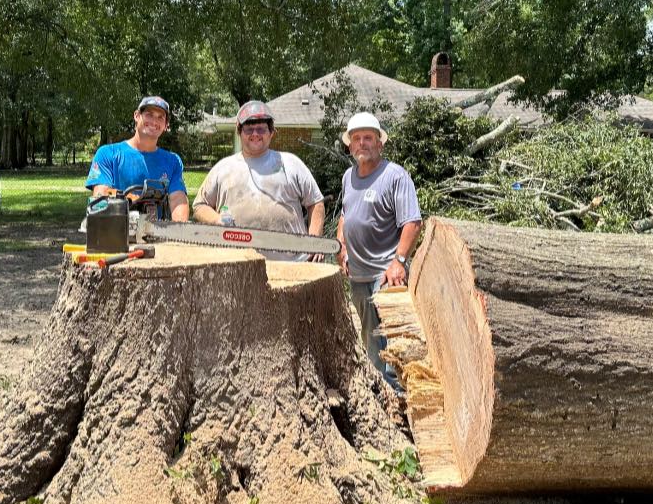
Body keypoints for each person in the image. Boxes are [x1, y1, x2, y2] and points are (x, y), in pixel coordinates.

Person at [336, 111, 421, 376]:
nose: (362, 143)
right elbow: (344, 215)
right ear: (350, 145)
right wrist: (341, 246)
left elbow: (412, 222)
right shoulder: (348, 177)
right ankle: (381, 397)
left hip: (385, 275)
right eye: (357, 138)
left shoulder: (395, 176)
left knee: (392, 346)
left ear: (379, 143)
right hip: (358, 275)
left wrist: (399, 261)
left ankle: (398, 399)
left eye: (368, 138)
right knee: (370, 341)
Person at [193, 100, 326, 260]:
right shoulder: (223, 168)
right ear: (239, 132)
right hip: (236, 263)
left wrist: (315, 239)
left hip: (293, 262)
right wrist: (216, 220)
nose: (255, 133)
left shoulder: (290, 163)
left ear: (271, 132)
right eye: (249, 129)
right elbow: (200, 205)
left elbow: (316, 203)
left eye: (261, 128)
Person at [85, 95, 189, 221]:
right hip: (115, 230)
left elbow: (178, 199)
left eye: (160, 117)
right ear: (137, 116)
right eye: (149, 114)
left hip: (159, 234)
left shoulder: (173, 161)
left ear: (166, 124)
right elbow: (100, 195)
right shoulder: (108, 153)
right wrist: (131, 201)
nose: (154, 121)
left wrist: (179, 230)